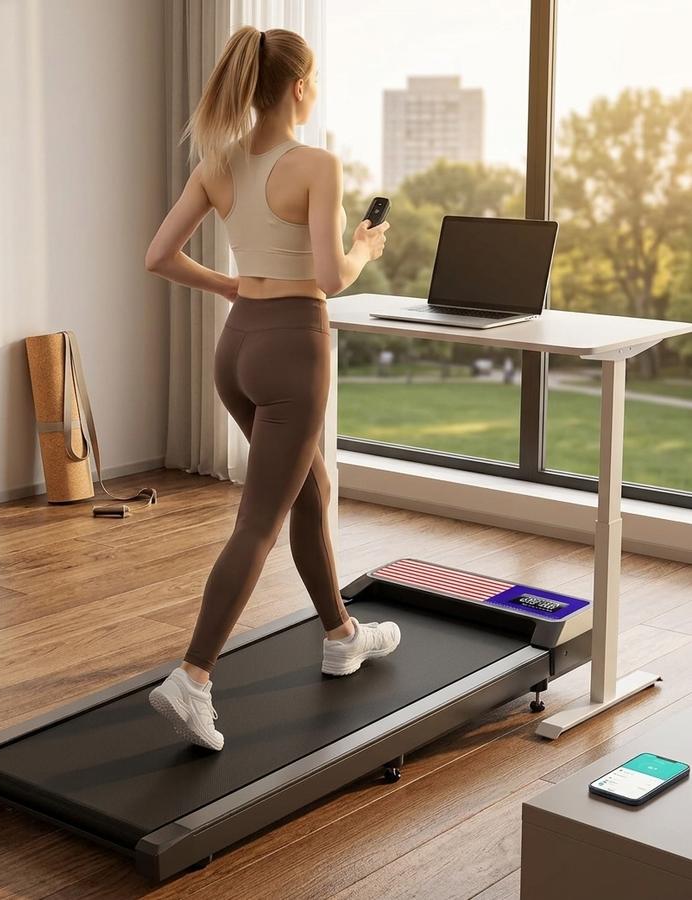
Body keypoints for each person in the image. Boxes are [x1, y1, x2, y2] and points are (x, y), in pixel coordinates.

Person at [144, 25, 400, 751]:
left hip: (237, 348)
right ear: (299, 86)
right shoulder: (316, 164)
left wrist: (232, 286)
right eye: (315, 79)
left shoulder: (218, 163)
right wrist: (363, 247)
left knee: (310, 490)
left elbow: (159, 256)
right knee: (259, 522)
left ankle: (341, 636)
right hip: (293, 348)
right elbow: (329, 278)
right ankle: (193, 676)